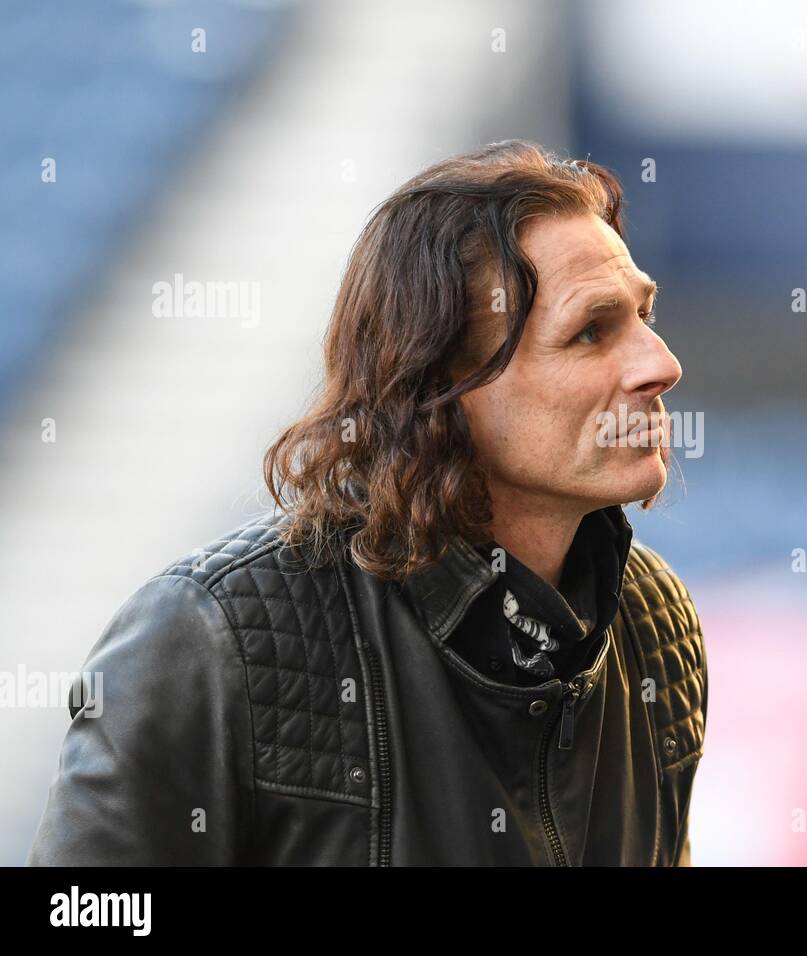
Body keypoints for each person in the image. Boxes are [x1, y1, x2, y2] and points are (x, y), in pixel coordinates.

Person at [27, 140, 707, 866]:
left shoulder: (652, 623)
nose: (660, 365)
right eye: (592, 331)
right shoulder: (210, 638)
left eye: (644, 315)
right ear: (441, 383)